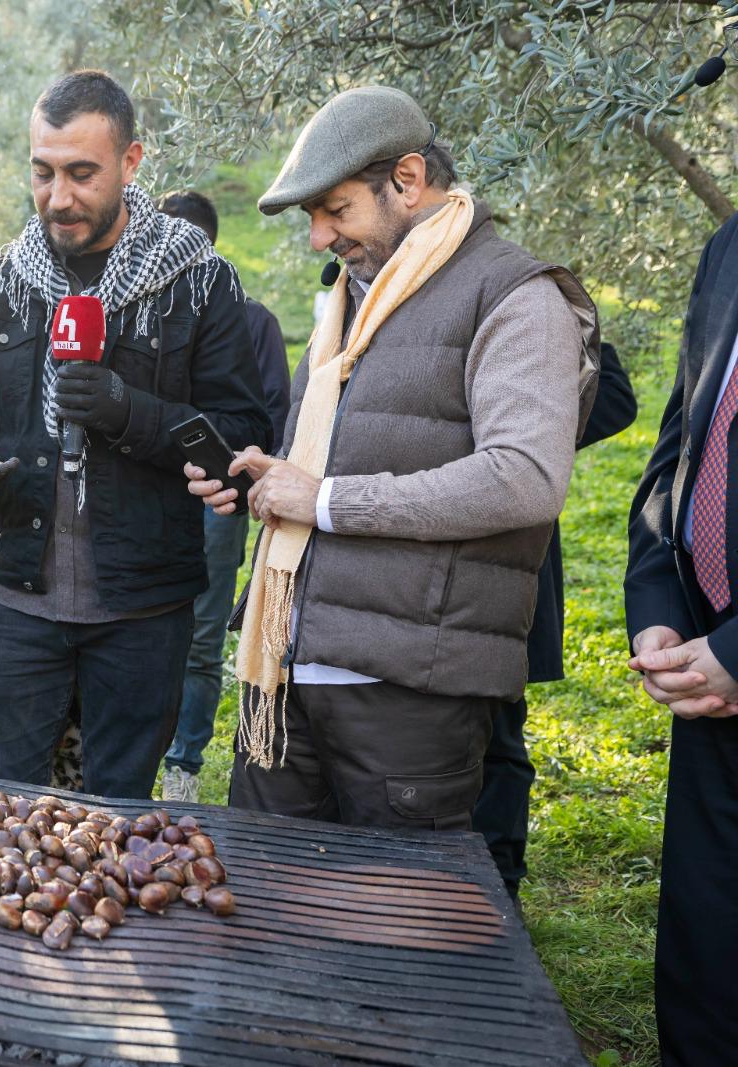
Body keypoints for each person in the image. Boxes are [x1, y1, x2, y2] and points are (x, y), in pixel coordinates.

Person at [190, 85, 598, 833]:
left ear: (407, 181)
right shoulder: (353, 298)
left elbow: (526, 478)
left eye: (335, 210)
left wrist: (322, 500)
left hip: (408, 695)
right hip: (282, 676)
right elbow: (340, 447)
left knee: (393, 930)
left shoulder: (517, 295)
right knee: (273, 917)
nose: (319, 238)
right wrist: (265, 473)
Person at [0, 70, 270, 799]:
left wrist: (129, 411)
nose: (59, 197)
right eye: (43, 172)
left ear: (132, 161)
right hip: (19, 602)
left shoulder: (200, 285)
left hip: (144, 609)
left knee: (118, 824)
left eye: (82, 173)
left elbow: (244, 437)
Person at [624, 210, 738, 1066]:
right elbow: (682, 445)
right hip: (702, 674)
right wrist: (658, 597)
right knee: (706, 950)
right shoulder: (730, 245)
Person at [474, 341, 635, 905]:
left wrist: (524, 439)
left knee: (497, 739)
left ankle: (499, 891)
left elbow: (614, 399)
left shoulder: (527, 303)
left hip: (507, 562)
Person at [154, 189, 292, 802]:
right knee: (143, 633)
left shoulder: (251, 319)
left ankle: (182, 763)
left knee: (202, 637)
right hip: (150, 501)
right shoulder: (141, 313)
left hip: (217, 509)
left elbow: (267, 419)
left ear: (208, 248)